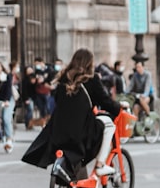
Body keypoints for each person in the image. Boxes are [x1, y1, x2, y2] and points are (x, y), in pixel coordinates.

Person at [21, 48, 121, 177]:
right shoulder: (92, 79)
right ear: (89, 63)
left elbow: (58, 99)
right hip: (80, 132)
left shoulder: (63, 78)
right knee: (109, 125)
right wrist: (118, 108)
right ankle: (100, 165)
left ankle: (77, 179)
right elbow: (105, 101)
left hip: (59, 130)